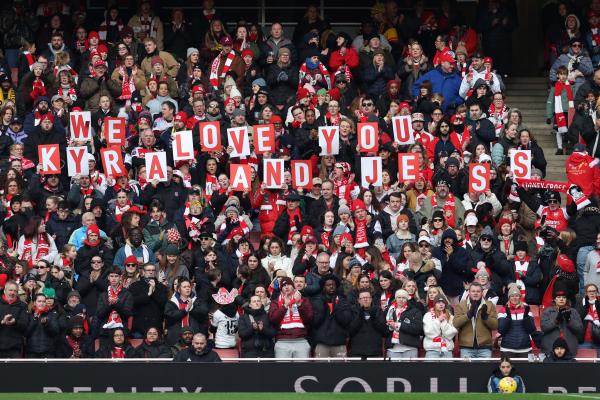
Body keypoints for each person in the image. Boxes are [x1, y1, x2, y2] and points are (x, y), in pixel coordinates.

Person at [268, 276, 313, 358]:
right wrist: (285, 306)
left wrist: (299, 304)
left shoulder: (304, 300)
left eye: (289, 284)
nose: (286, 287)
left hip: (301, 340)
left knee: (303, 370)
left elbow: (309, 318)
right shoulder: (275, 302)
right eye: (284, 285)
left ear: (293, 286)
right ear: (281, 289)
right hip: (282, 341)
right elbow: (273, 319)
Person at [453, 282, 498, 358]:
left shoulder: (489, 305)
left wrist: (486, 317)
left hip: (485, 347)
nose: (475, 293)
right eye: (473, 291)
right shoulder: (461, 305)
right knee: (467, 370)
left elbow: (495, 325)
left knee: (484, 370)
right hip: (466, 347)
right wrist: (468, 315)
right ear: (469, 292)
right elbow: (456, 323)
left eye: (478, 291)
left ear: (482, 292)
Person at [541, 288, 583, 355]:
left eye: (564, 297)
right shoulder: (547, 311)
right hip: (551, 348)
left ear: (566, 300)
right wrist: (556, 321)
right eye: (559, 297)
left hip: (569, 348)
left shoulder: (573, 311)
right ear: (554, 299)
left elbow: (579, 329)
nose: (561, 299)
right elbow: (544, 328)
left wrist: (569, 320)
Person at [348, 289, 388, 358]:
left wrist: (374, 319)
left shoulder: (378, 310)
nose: (365, 300)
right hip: (357, 352)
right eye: (363, 298)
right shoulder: (352, 310)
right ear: (358, 300)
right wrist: (359, 317)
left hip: (375, 352)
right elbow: (350, 331)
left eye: (367, 297)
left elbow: (384, 331)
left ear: (371, 299)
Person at [385, 289, 423, 359]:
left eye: (403, 297)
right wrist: (390, 328)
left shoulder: (415, 311)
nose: (401, 300)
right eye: (399, 297)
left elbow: (418, 328)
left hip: (410, 348)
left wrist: (399, 325)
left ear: (407, 299)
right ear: (396, 298)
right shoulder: (389, 310)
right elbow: (383, 329)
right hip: (392, 349)